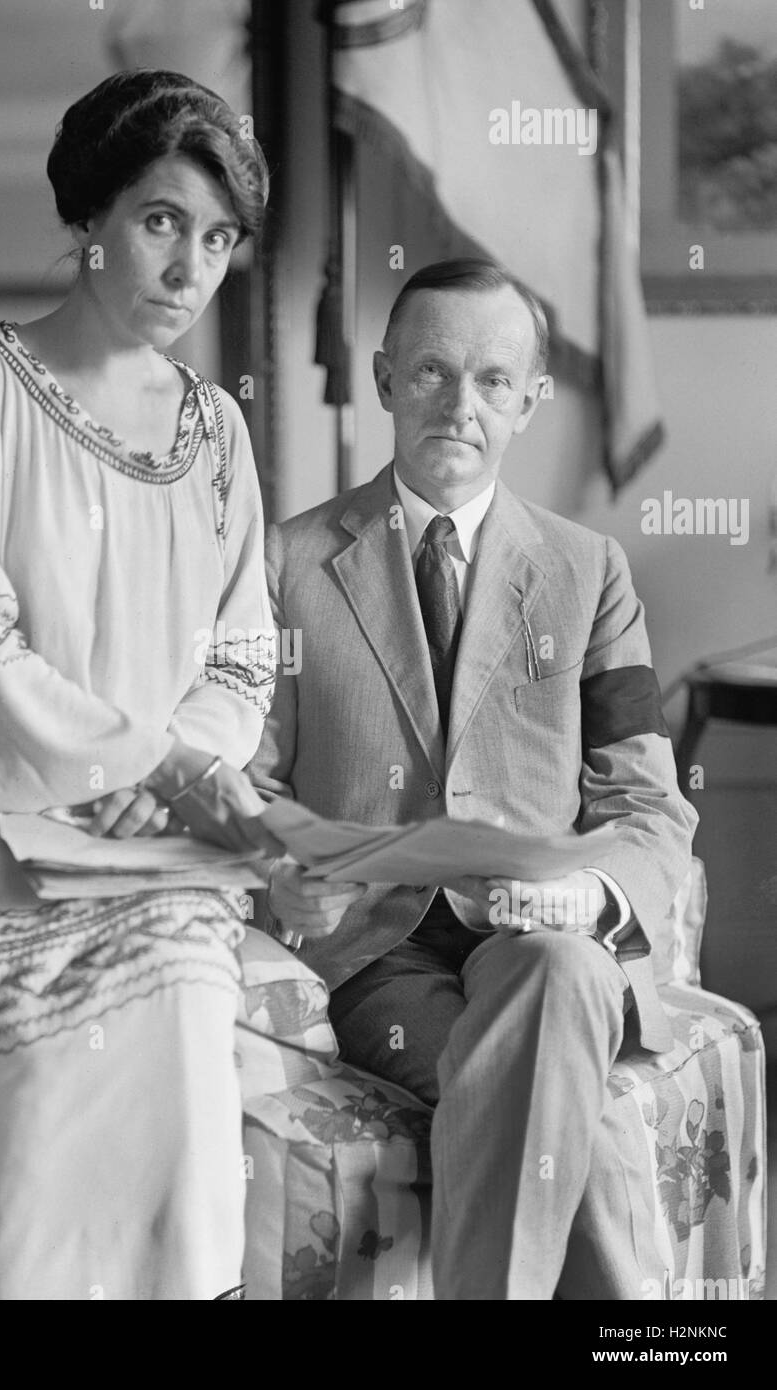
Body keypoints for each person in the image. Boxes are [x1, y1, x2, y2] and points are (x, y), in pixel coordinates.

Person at [0, 70, 277, 1300]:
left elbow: (240, 659)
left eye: (220, 238)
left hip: (139, 835)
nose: (191, 268)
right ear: (89, 218)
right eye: (161, 221)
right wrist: (151, 762)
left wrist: (165, 773)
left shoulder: (217, 434)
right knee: (31, 1145)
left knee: (184, 993)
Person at [249, 258, 698, 1300]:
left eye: (493, 380)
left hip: (545, 930)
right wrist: (288, 866)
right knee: (546, 1083)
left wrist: (586, 892)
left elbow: (644, 799)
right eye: (432, 373)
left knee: (566, 968)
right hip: (377, 950)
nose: (460, 405)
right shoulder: (285, 565)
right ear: (382, 378)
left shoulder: (590, 572)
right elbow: (247, 778)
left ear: (529, 400)